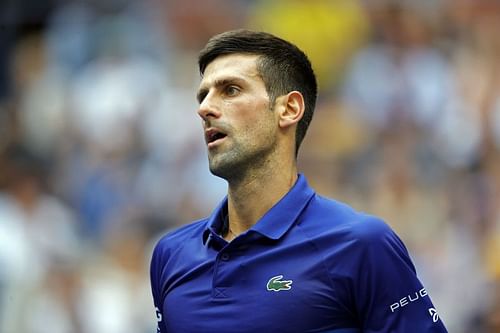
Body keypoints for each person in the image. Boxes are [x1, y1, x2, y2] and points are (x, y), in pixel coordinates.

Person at [150, 29, 448, 333]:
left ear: (289, 109)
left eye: (231, 90)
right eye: (203, 95)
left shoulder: (362, 244)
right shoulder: (170, 255)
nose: (204, 108)